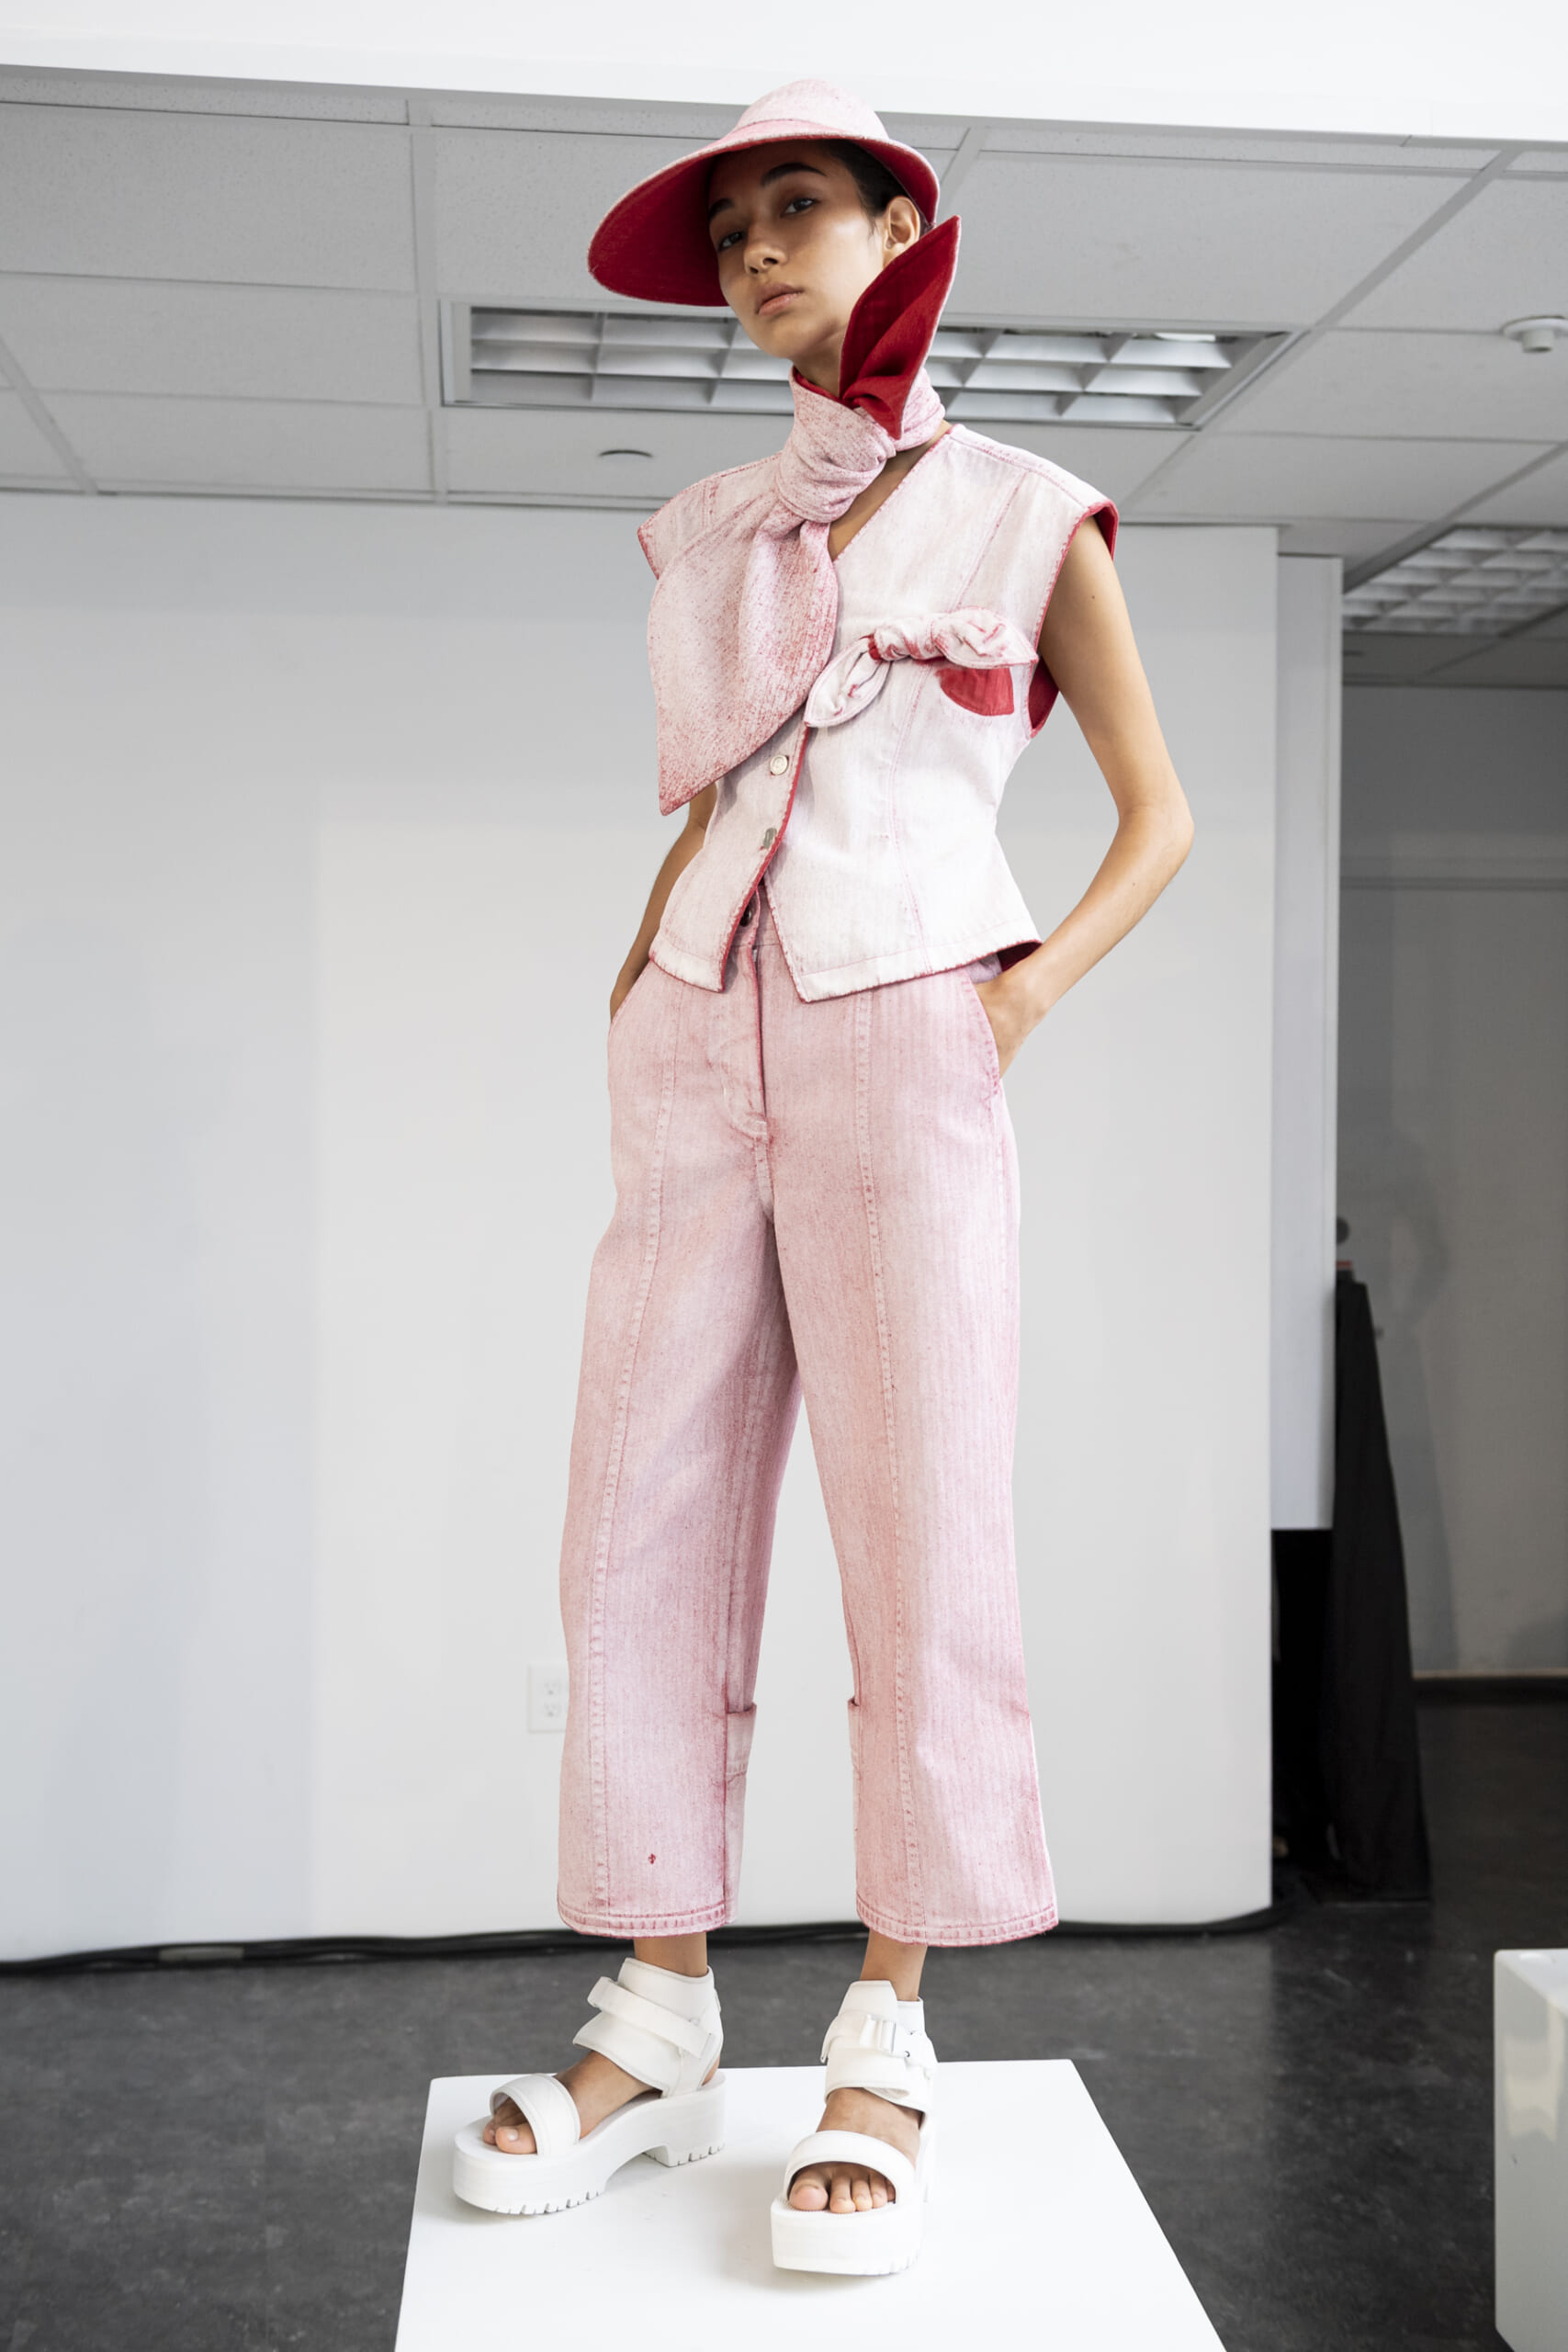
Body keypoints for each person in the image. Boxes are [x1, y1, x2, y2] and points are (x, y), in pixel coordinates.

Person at [452, 79, 1193, 2275]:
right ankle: (657, 2009)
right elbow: (718, 792)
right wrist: (639, 978)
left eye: (796, 209)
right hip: (694, 1036)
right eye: (730, 235)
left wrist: (1012, 1000)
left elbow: (1155, 813)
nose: (758, 252)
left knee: (917, 1526)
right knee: (633, 1525)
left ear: (895, 225)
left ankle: (888, 2024)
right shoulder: (703, 529)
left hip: (907, 1034)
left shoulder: (1023, 510)